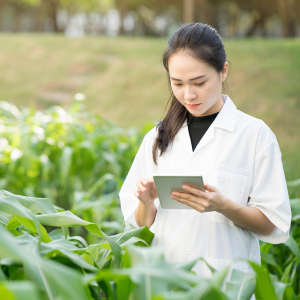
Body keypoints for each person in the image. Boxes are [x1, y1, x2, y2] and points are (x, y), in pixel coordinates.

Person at [119, 22, 291, 290]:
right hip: (166, 284)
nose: (188, 95)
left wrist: (223, 205)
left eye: (199, 82)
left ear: (223, 71)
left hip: (225, 287)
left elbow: (272, 224)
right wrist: (145, 201)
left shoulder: (254, 135)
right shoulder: (157, 138)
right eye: (177, 83)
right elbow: (142, 223)